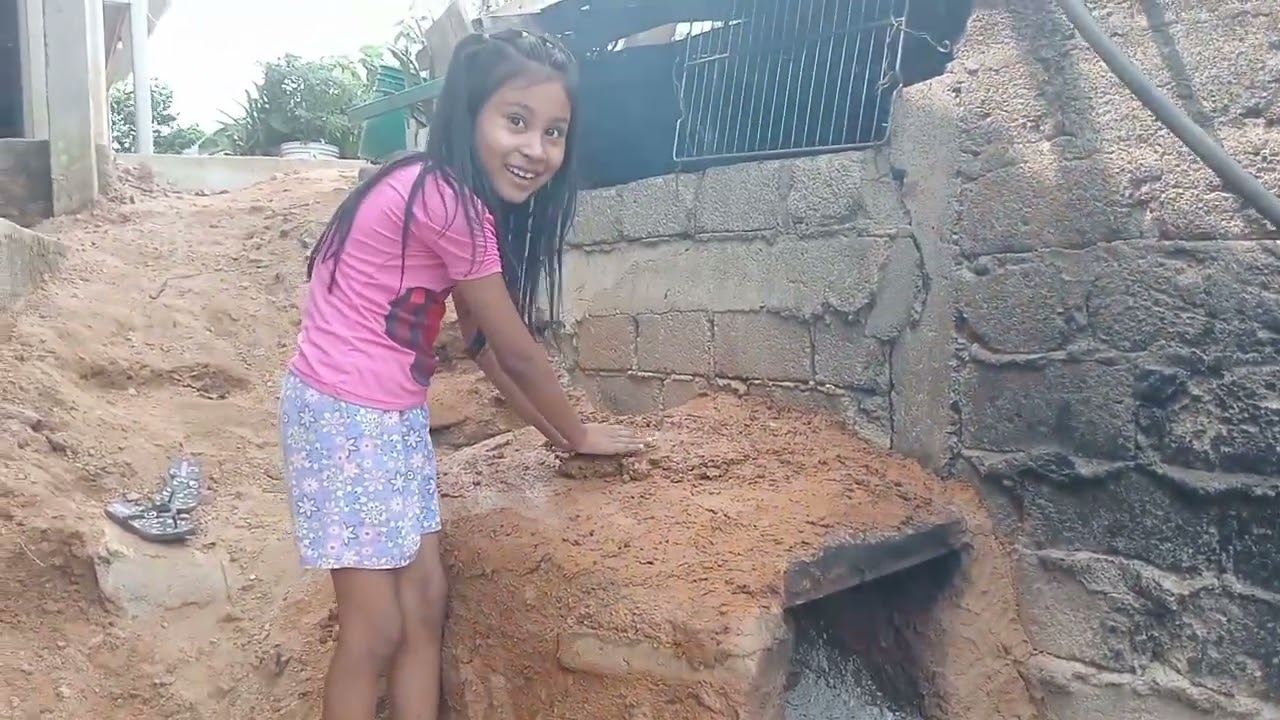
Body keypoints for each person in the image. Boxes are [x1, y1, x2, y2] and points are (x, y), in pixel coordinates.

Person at [278, 29, 644, 720]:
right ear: (469, 111)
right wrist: (579, 433)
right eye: (516, 120)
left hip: (386, 416)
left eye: (554, 131)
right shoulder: (445, 200)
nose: (535, 148)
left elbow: (481, 348)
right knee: (374, 628)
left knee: (425, 604)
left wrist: (554, 434)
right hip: (343, 416)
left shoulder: (440, 193)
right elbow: (516, 352)